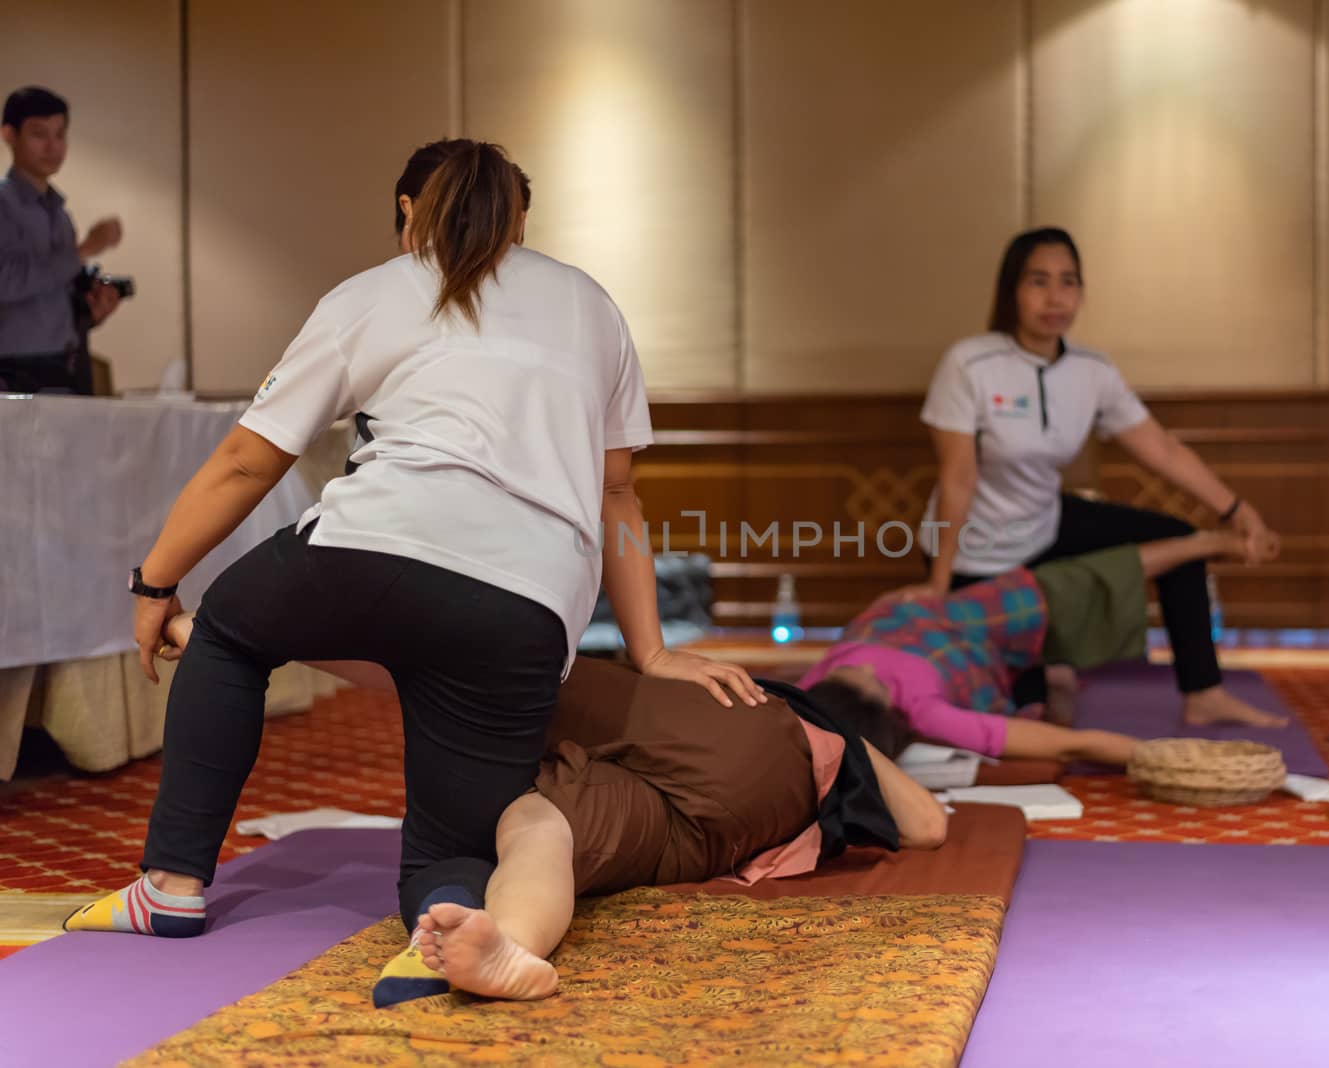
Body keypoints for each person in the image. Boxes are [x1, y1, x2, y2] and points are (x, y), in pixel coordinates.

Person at [64, 141, 762, 958]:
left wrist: (156, 585)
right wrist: (652, 652)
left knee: (229, 629)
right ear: (521, 219)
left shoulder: (372, 292)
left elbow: (250, 460)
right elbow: (616, 495)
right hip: (524, 604)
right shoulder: (591, 304)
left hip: (371, 551)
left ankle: (172, 888)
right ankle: (453, 929)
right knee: (448, 850)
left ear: (407, 211)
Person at [150, 614, 946, 1006]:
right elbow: (930, 825)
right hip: (728, 828)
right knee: (537, 825)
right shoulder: (832, 759)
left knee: (493, 679)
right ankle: (511, 946)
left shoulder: (790, 709)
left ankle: (242, 634)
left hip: (737, 738)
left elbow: (420, 673)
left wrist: (839, 720)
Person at [901, 226, 1283, 728]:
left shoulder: (1091, 371)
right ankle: (1051, 673)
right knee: (1026, 712)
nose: (1055, 297)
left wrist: (1237, 511)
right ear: (1011, 289)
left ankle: (1203, 691)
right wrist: (938, 583)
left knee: (1179, 540)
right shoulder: (969, 363)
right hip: (977, 548)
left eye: (1068, 282)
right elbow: (958, 479)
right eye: (1038, 281)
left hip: (1046, 521)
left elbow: (1161, 449)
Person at [806, 532, 1285, 769]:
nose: (865, 664)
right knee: (1045, 719)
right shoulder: (928, 714)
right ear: (887, 710)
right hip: (970, 644)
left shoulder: (807, 700)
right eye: (866, 677)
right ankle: (1052, 680)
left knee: (1067, 586)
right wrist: (1188, 758)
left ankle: (1199, 542)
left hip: (934, 611)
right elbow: (1079, 744)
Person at [0, 86, 123, 392]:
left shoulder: (59, 212)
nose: (52, 146)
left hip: (67, 362)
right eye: (39, 134)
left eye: (60, 134)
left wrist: (92, 308)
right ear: (9, 135)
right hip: (14, 370)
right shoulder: (3, 205)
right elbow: (6, 281)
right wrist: (85, 249)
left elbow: (55, 293)